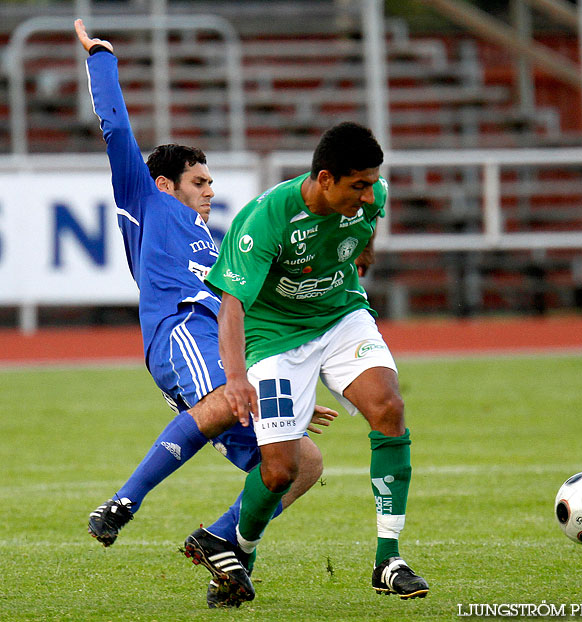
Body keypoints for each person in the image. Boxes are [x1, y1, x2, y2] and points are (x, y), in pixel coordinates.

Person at [74, 20, 336, 608]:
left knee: (298, 462)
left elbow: (243, 314)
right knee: (230, 405)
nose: (209, 191)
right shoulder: (145, 199)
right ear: (166, 182)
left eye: (212, 182)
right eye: (199, 181)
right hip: (180, 333)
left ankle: (224, 543)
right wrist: (101, 58)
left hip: (220, 348)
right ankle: (124, 502)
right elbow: (115, 127)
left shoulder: (213, 243)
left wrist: (284, 384)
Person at [200, 120, 429, 604]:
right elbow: (232, 304)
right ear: (325, 179)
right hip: (275, 339)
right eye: (358, 185)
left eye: (372, 183)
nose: (369, 196)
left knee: (388, 407)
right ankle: (239, 549)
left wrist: (363, 253)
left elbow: (368, 226)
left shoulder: (374, 196)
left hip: (342, 317)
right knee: (281, 469)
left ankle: (389, 557)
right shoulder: (266, 219)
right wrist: (236, 378)